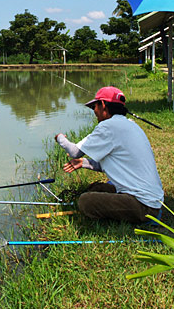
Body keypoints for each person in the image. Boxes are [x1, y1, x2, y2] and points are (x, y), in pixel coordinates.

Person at [54, 86, 163, 224]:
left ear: (103, 105)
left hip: (144, 206)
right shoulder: (130, 125)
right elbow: (111, 165)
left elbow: (74, 151)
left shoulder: (108, 126)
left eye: (95, 106)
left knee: (85, 201)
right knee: (97, 188)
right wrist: (83, 163)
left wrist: (59, 138)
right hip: (153, 202)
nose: (94, 111)